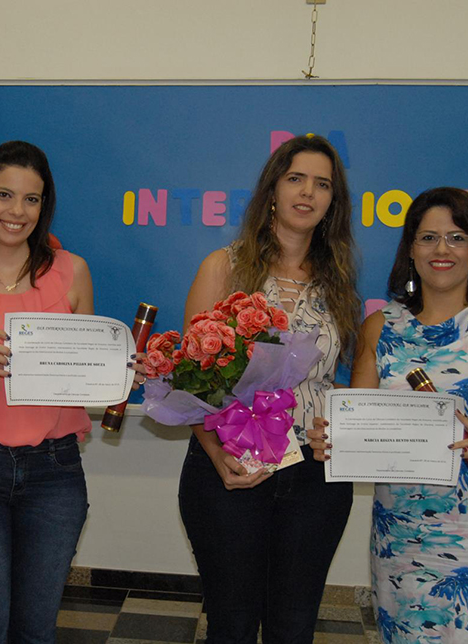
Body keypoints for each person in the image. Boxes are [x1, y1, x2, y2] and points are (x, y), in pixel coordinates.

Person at [310, 187, 468, 642]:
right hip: (404, 538)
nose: (441, 250)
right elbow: (363, 420)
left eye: (457, 237)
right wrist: (335, 438)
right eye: (428, 238)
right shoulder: (381, 327)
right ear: (411, 249)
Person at [0, 140, 131, 643]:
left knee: (36, 631)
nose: (17, 211)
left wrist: (119, 373)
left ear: (44, 206)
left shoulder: (71, 272)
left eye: (31, 200)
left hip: (54, 473)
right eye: (5, 196)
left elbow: (83, 374)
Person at [176, 134, 361, 643]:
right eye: (295, 178)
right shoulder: (225, 267)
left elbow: (329, 379)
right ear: (273, 189)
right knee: (232, 625)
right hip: (232, 470)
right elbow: (189, 381)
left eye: (322, 184)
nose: (308, 193)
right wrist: (217, 458)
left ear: (332, 202)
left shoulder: (338, 283)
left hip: (316, 477)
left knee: (294, 626)